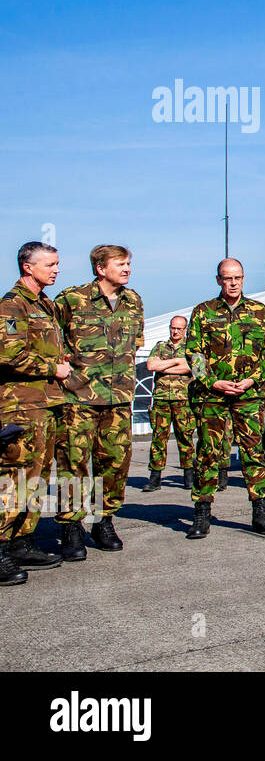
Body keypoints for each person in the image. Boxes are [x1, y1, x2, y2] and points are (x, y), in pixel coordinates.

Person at [53, 244, 144, 554]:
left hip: (119, 398)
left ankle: (103, 520)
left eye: (128, 263)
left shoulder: (133, 301)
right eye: (120, 264)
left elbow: (135, 344)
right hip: (78, 398)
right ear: (100, 269)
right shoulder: (71, 299)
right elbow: (49, 338)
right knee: (73, 464)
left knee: (115, 464)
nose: (127, 268)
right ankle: (71, 526)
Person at [184, 258, 265, 539]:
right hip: (213, 394)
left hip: (248, 394)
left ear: (244, 278)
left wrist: (252, 379)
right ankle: (202, 512)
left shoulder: (260, 312)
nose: (233, 283)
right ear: (218, 280)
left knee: (253, 450)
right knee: (208, 452)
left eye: (237, 277)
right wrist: (211, 381)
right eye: (227, 278)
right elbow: (194, 352)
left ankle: (260, 509)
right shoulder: (203, 312)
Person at [0, 242, 72, 583]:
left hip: (46, 404)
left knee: (37, 478)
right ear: (28, 267)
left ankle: (20, 542)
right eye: (50, 264)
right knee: (14, 479)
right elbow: (8, 355)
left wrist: (60, 364)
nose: (56, 269)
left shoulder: (44, 304)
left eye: (57, 264)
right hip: (21, 407)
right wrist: (52, 368)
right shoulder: (12, 306)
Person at [143, 316, 196, 491]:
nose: (175, 331)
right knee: (158, 438)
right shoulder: (160, 346)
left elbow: (194, 368)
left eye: (179, 329)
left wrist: (163, 366)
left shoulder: (191, 347)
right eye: (173, 328)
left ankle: (189, 475)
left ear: (185, 329)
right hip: (161, 399)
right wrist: (177, 361)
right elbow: (151, 366)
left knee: (185, 438)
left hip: (183, 400)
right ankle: (155, 477)